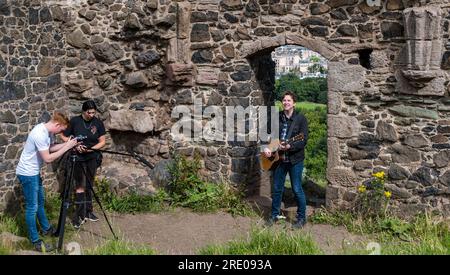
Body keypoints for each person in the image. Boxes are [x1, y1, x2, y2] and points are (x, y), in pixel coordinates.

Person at [16, 112, 79, 252]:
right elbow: (48, 158)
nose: (61, 132)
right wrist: (66, 148)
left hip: (33, 172)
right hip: (27, 174)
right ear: (57, 124)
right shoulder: (39, 133)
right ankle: (35, 241)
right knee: (32, 207)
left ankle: (46, 229)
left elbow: (50, 148)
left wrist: (67, 144)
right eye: (61, 129)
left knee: (40, 202)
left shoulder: (47, 131)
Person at [263, 91, 308, 228]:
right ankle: (274, 215)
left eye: (289, 100)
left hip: (295, 160)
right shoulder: (277, 118)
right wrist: (266, 147)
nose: (286, 102)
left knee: (296, 189)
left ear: (294, 103)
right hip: (278, 160)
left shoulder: (301, 119)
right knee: (277, 189)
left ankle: (301, 218)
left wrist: (290, 145)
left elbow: (303, 140)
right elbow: (265, 134)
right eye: (284, 100)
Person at [61, 100, 106, 229]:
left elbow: (102, 141)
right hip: (78, 157)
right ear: (83, 111)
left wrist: (91, 149)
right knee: (79, 185)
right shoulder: (75, 121)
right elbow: (64, 136)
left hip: (92, 156)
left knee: (89, 184)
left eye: (93, 112)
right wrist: (75, 144)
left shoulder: (98, 123)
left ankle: (88, 211)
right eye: (89, 112)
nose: (91, 114)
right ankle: (80, 214)